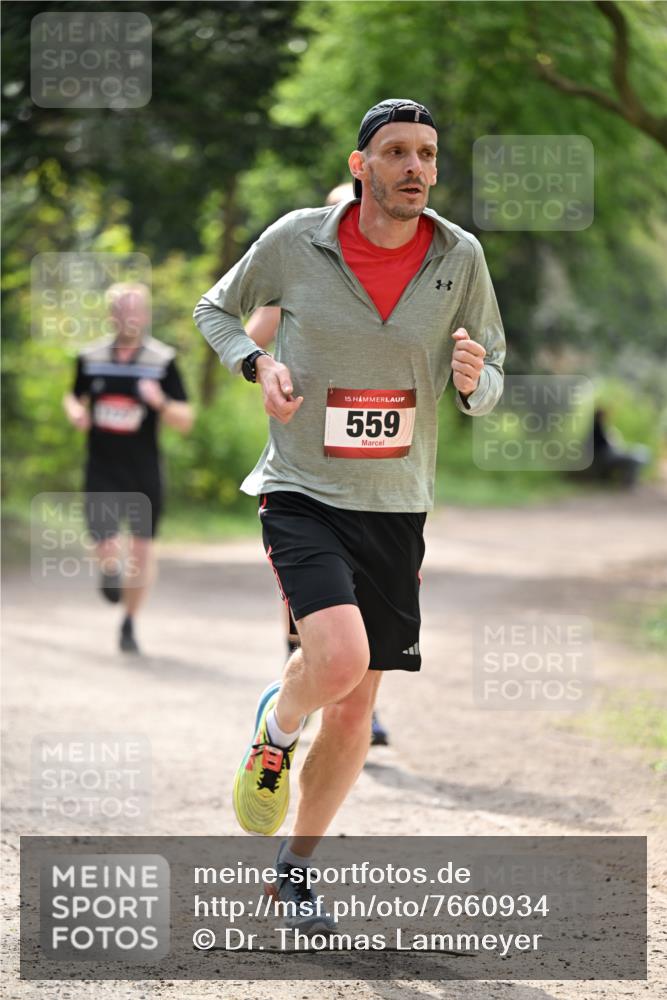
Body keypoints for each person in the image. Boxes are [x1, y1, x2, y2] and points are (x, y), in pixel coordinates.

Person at [194, 98, 505, 930]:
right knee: (332, 662)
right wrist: (256, 363)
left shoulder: (459, 256)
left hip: (396, 504)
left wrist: (475, 378)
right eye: (397, 153)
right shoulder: (299, 239)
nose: (415, 168)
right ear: (360, 165)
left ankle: (293, 871)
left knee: (358, 705)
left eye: (427, 154)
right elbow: (213, 310)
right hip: (301, 489)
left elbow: (492, 371)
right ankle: (276, 723)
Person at [245, 181, 391, 747]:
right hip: (306, 465)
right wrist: (266, 359)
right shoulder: (300, 269)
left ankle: (362, 706)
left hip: (377, 475)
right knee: (312, 596)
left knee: (375, 600)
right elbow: (250, 334)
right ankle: (300, 688)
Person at [63, 282, 193, 654]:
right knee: (104, 543)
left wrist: (162, 402)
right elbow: (74, 394)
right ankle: (108, 571)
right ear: (111, 315)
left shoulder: (162, 361)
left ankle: (130, 622)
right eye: (121, 309)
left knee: (140, 553)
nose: (129, 316)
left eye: (135, 309)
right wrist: (75, 410)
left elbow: (185, 419)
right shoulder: (90, 358)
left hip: (143, 471)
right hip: (102, 467)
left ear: (147, 315)